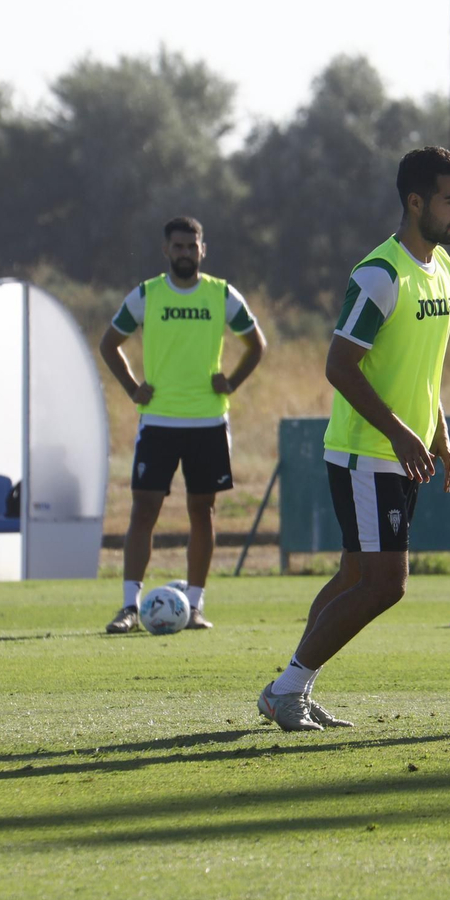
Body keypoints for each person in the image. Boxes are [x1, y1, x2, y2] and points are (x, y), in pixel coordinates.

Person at [257, 146, 450, 731]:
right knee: (385, 584)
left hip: (402, 450)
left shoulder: (444, 270)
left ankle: (291, 685)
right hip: (366, 452)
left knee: (354, 577)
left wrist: (438, 431)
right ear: (415, 201)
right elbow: (340, 365)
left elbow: (421, 370)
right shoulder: (379, 274)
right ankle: (288, 686)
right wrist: (401, 433)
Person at [99, 216, 266, 633]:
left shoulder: (222, 295)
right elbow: (109, 343)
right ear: (166, 251)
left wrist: (231, 381)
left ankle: (194, 606)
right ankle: (128, 608)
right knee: (144, 510)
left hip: (207, 421)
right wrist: (132, 387)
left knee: (202, 511)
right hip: (158, 421)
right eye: (178, 247)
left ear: (203, 250)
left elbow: (255, 344)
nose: (186, 253)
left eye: (193, 247)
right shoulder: (147, 294)